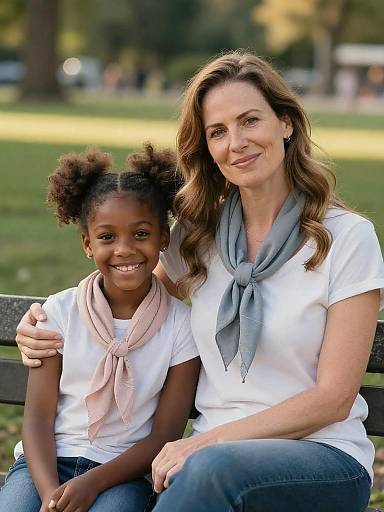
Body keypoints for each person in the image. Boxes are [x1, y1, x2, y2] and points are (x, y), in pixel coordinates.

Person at [15, 51, 384, 512]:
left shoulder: (346, 238)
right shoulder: (197, 237)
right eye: (218, 132)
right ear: (206, 147)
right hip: (204, 462)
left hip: (321, 455)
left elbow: (333, 399)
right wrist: (41, 323)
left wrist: (207, 444)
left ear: (285, 122)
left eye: (250, 121)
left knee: (210, 470)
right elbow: (126, 293)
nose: (237, 143)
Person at [0, 144, 200, 512]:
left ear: (164, 239)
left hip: (123, 472)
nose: (124, 249)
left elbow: (165, 434)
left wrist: (91, 484)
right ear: (87, 243)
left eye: (141, 234)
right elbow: (38, 418)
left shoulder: (181, 326)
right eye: (107, 237)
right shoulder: (59, 312)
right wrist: (49, 496)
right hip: (44, 465)